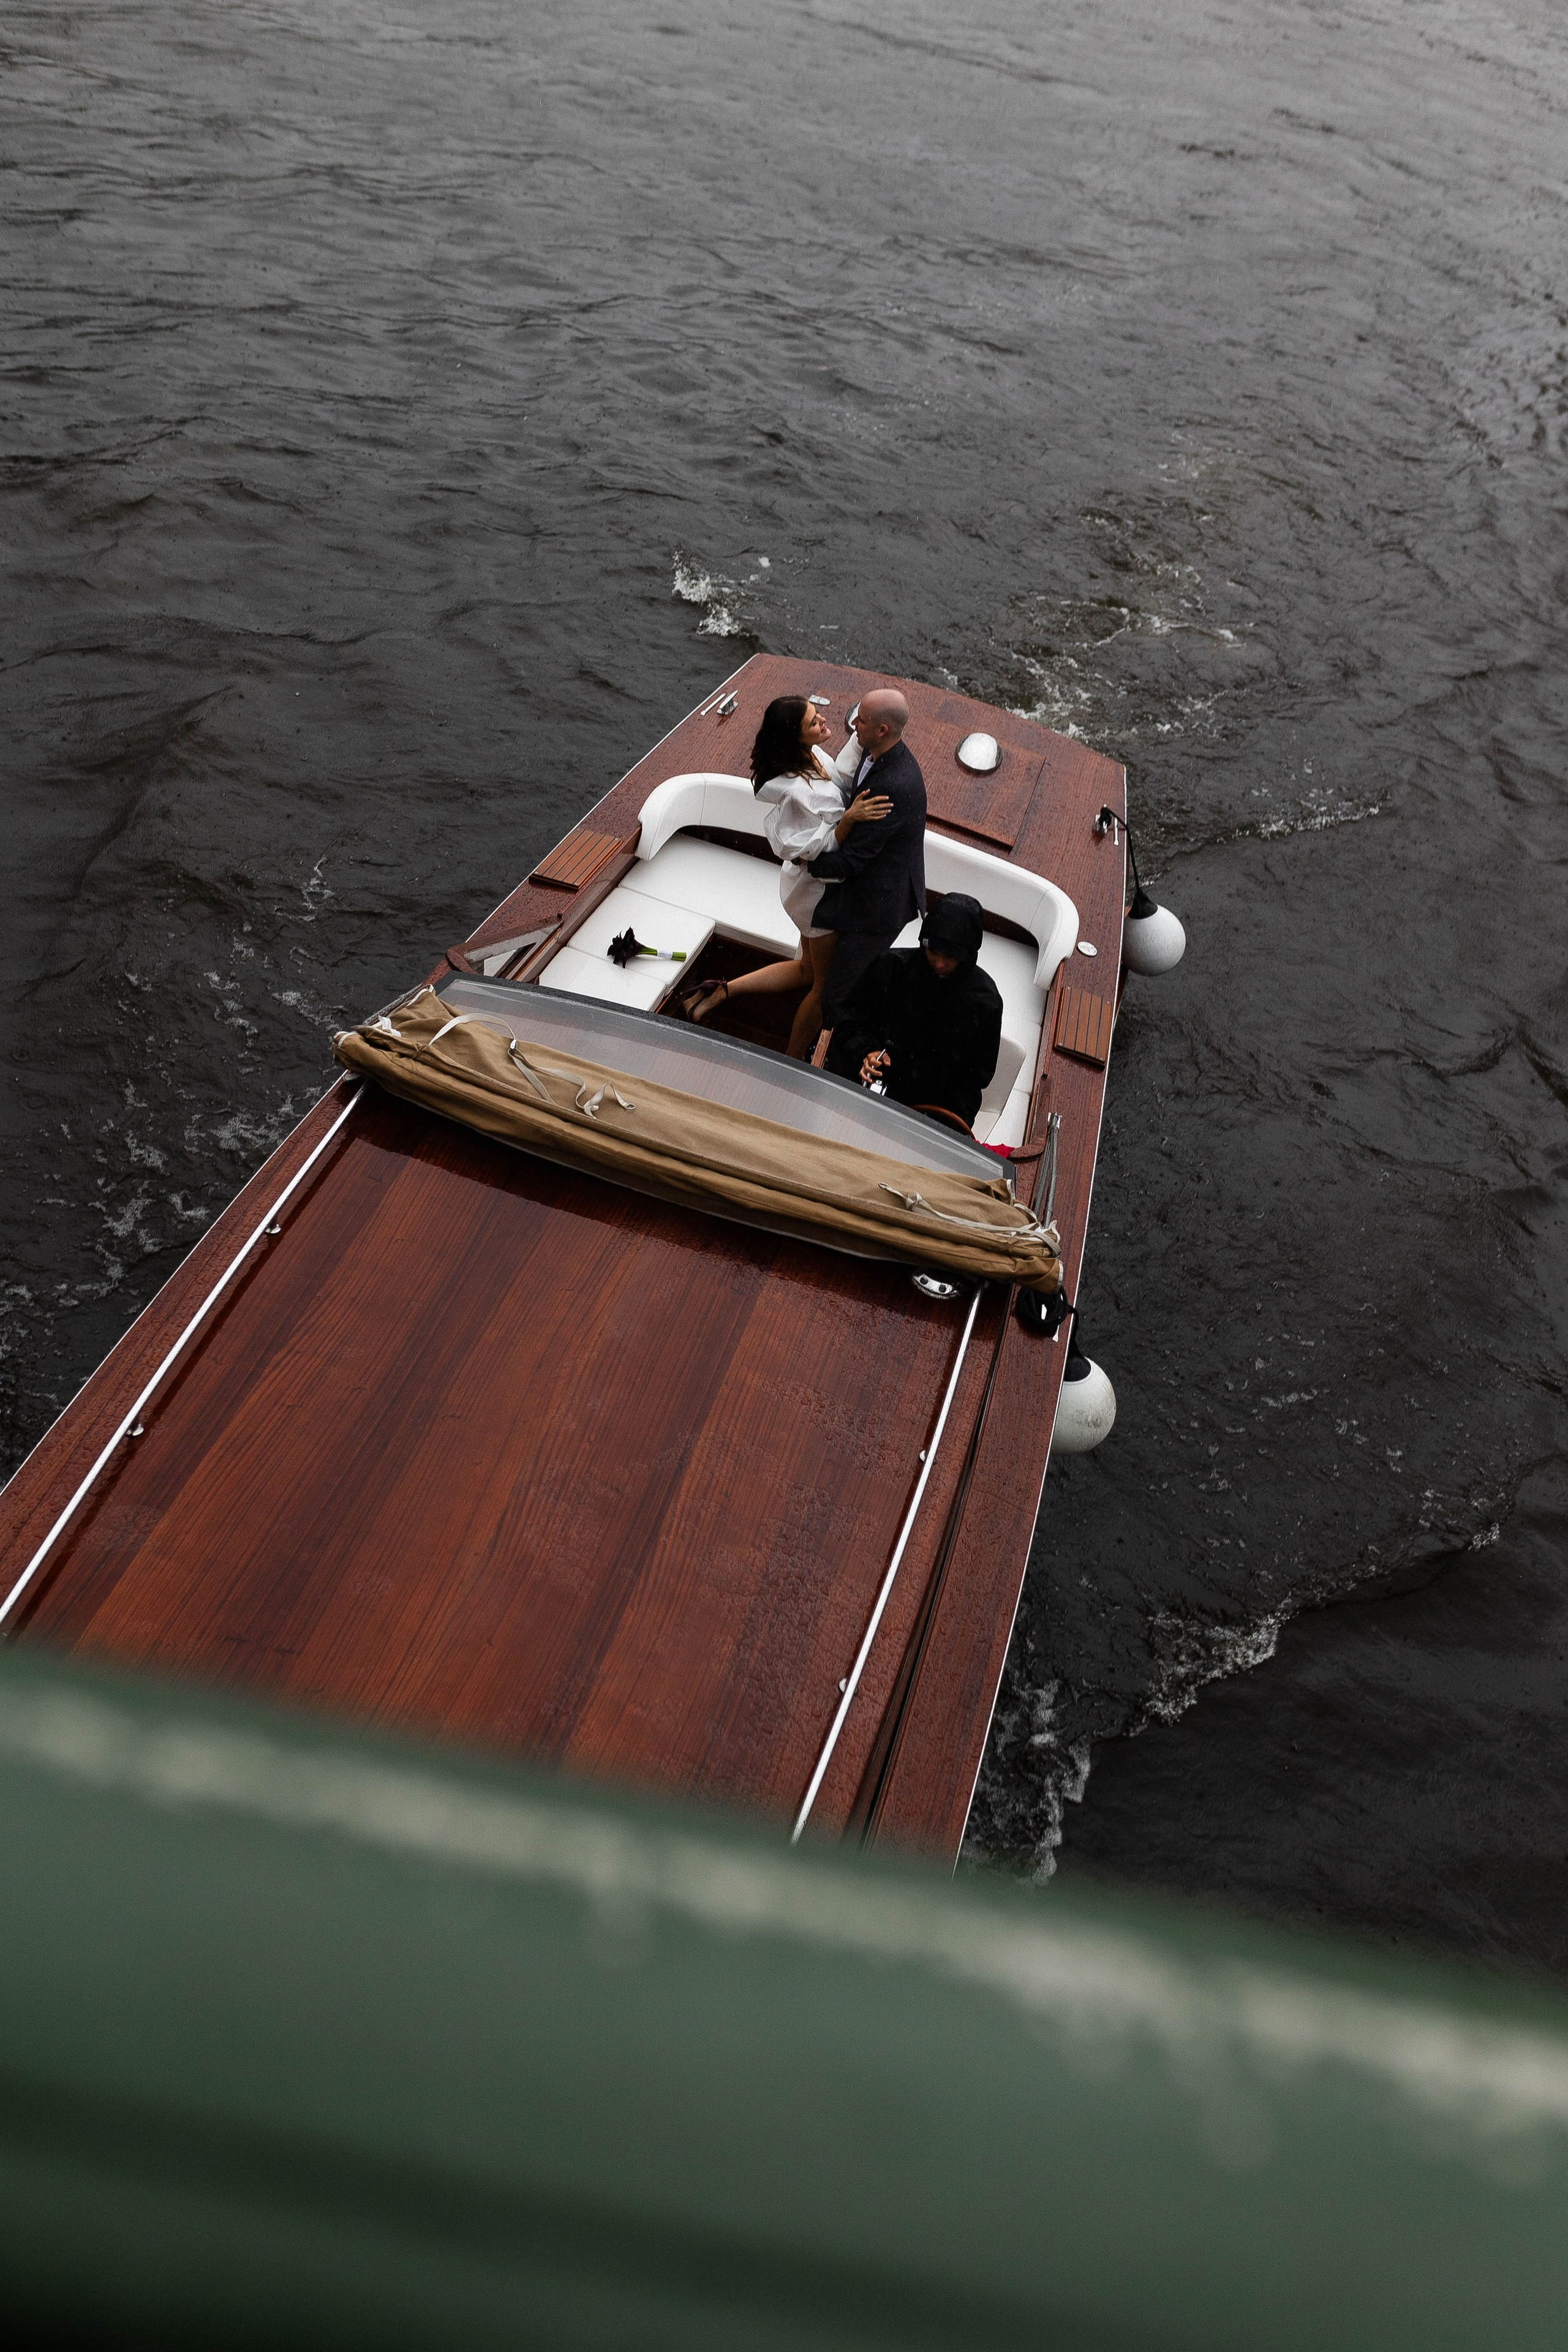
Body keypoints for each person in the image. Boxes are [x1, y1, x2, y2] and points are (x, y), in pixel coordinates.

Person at [682, 695, 891, 1057]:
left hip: (802, 888)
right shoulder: (797, 793)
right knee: (823, 991)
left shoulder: (807, 757)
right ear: (797, 737)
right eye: (814, 722)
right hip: (816, 897)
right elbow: (817, 849)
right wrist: (851, 818)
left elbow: (838, 776)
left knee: (806, 973)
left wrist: (860, 739)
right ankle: (792, 1063)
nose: (824, 722)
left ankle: (721, 992)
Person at [805, 687, 927, 1037]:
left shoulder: (891, 786)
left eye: (863, 720)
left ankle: (839, 1063)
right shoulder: (875, 751)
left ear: (883, 731)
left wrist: (804, 861)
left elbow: (853, 861)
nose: (854, 724)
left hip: (878, 909)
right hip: (870, 889)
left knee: (837, 997)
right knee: (824, 976)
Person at [826, 893, 1002, 1132]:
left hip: (929, 1111)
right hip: (865, 1089)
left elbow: (973, 1080)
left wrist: (945, 1131)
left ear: (969, 955)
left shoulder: (986, 1003)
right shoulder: (890, 967)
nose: (940, 964)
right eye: (934, 952)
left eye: (950, 957)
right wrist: (866, 1051)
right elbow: (850, 1021)